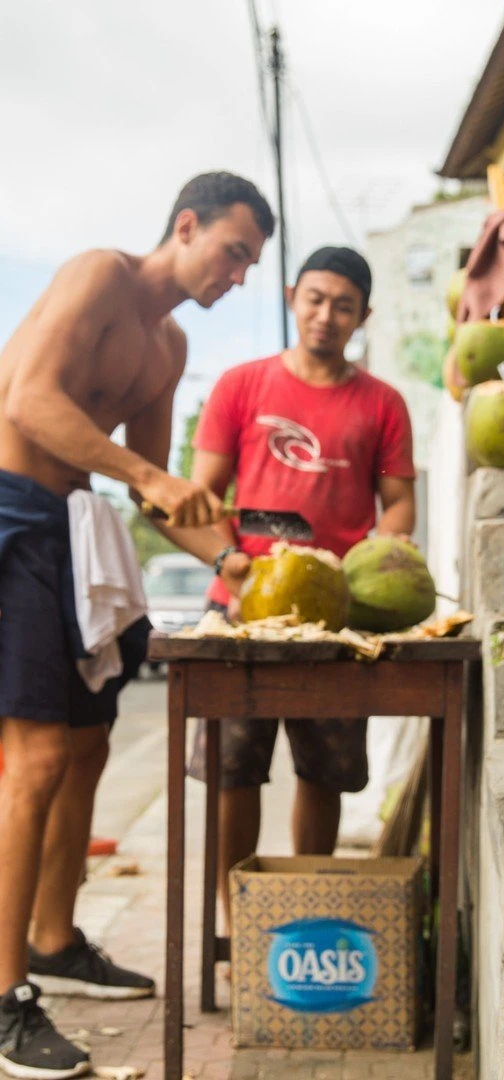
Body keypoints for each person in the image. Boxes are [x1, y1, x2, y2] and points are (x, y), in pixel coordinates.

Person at [0, 171, 275, 1078]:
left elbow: (157, 490)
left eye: (250, 265)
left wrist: (232, 559)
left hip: (77, 531)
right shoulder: (98, 275)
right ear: (186, 226)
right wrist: (148, 479)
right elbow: (29, 401)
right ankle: (5, 1005)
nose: (238, 274)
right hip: (10, 516)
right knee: (34, 758)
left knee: (86, 747)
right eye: (233, 252)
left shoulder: (167, 346)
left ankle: (53, 939)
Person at [186, 245, 417, 932]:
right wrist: (232, 559)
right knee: (234, 772)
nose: (326, 315)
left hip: (338, 619)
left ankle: (306, 916)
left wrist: (381, 549)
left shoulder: (383, 403)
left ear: (363, 315)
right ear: (292, 297)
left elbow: (398, 502)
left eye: (343, 305)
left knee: (325, 771)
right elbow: (203, 494)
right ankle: (239, 926)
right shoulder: (240, 385)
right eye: (315, 299)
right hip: (240, 610)